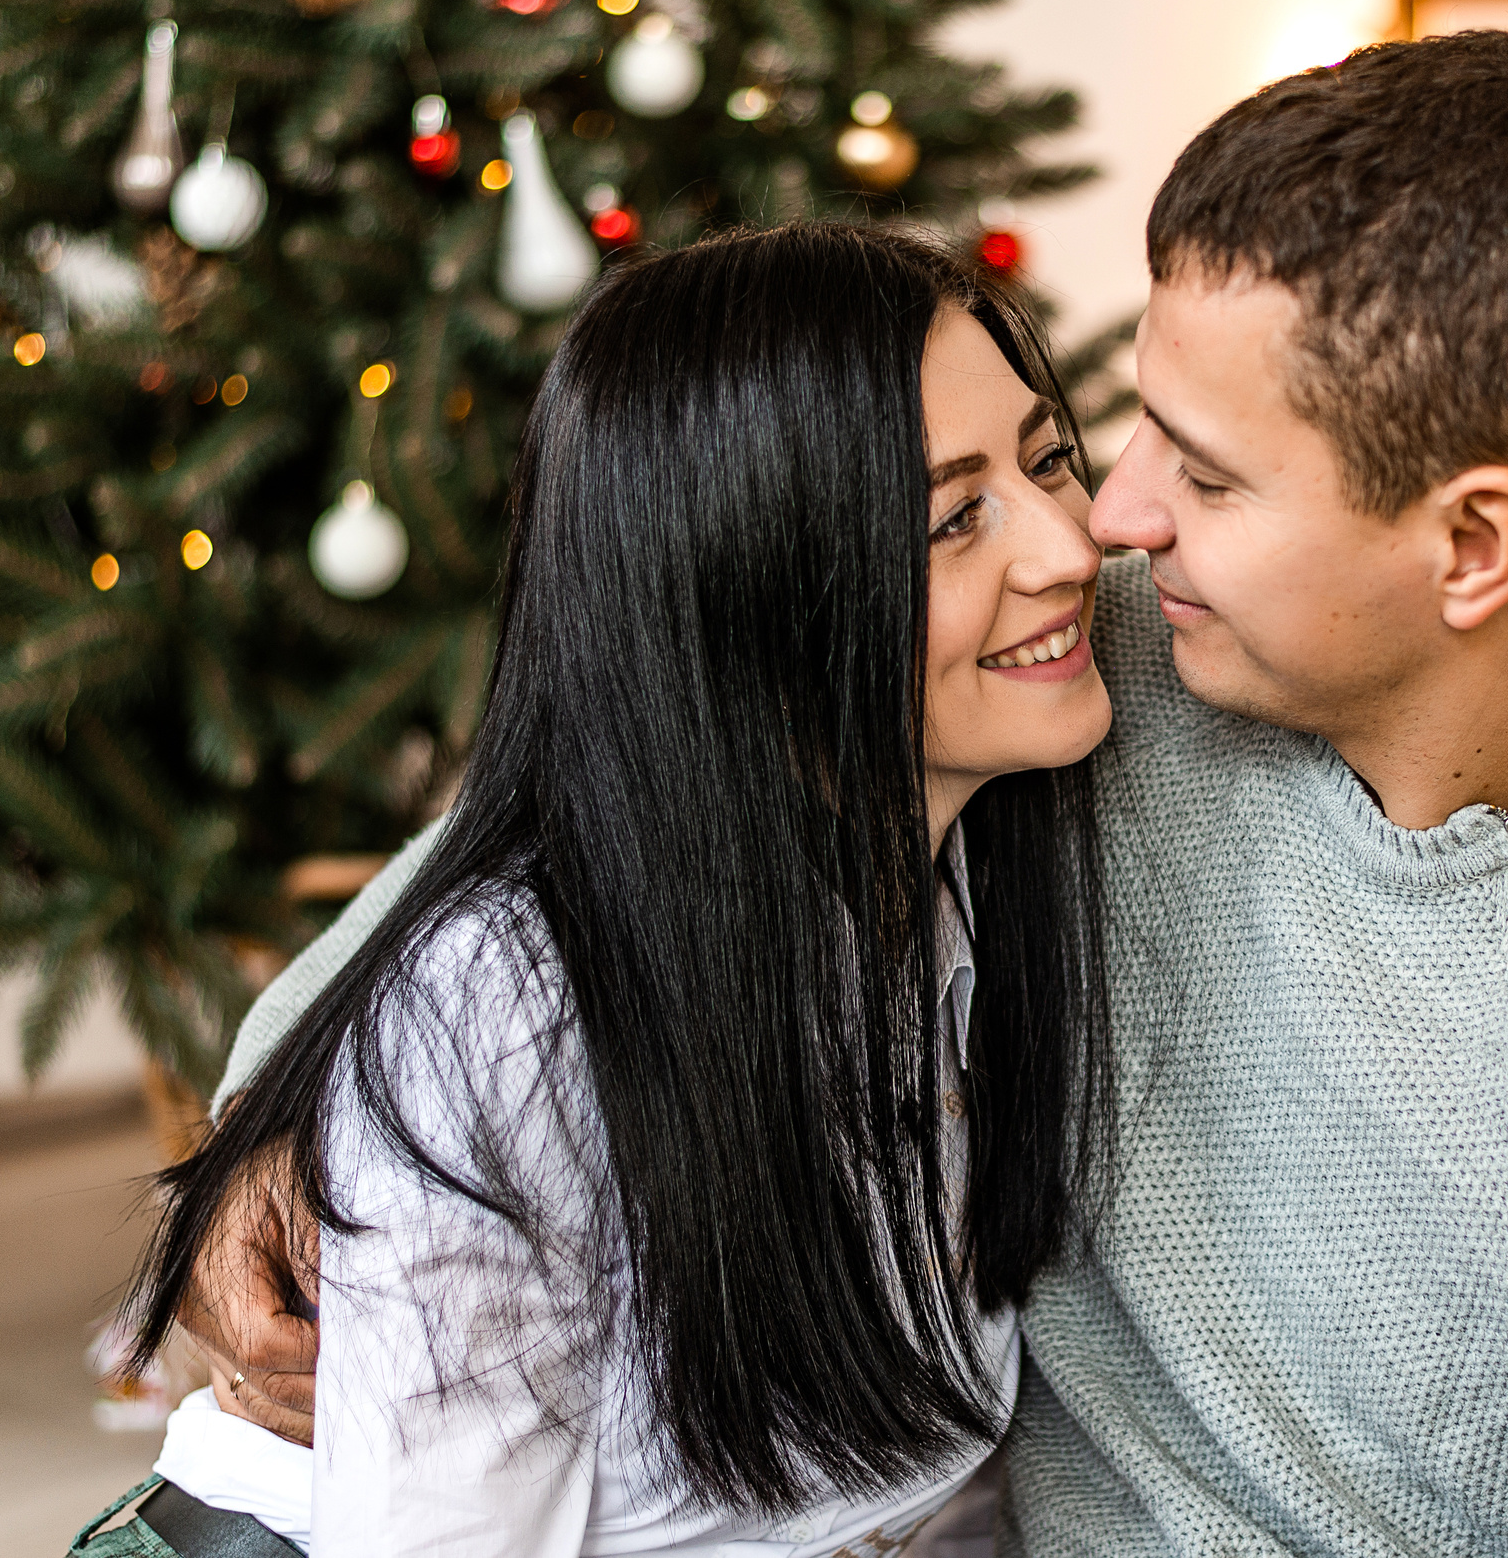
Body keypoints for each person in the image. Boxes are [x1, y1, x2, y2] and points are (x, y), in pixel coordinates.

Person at [187, 31, 1508, 1556]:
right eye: (1113, 425)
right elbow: (635, 778)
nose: (1109, 520)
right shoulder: (1099, 663)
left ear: (1474, 544)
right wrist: (294, 1117)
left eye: (1204, 477)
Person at [74, 221, 1118, 1557]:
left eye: (1048, 462)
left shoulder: (967, 861)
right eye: (954, 517)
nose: (1074, 548)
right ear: (742, 599)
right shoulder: (509, 1005)